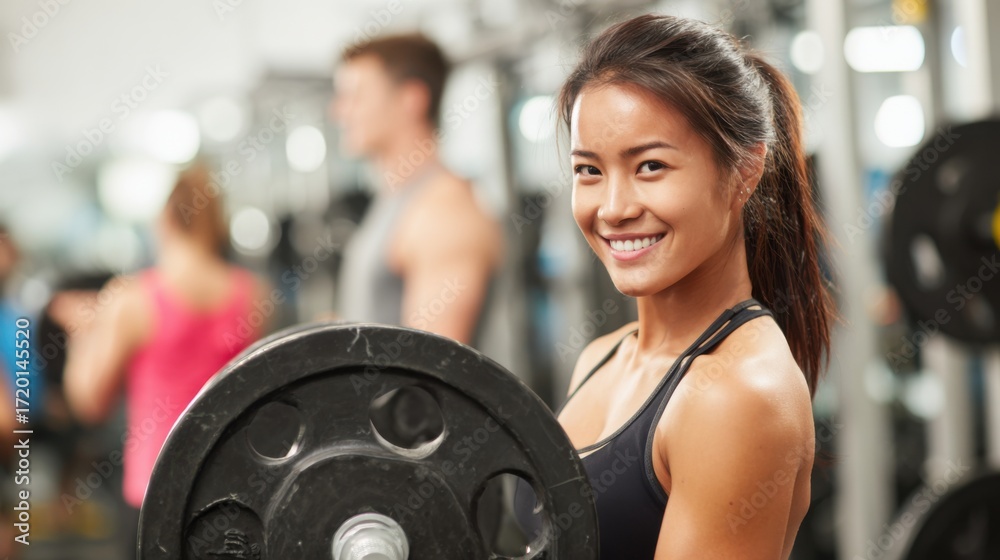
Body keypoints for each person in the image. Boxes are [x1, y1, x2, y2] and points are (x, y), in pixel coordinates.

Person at [514, 14, 835, 559]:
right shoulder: (601, 357)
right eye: (589, 171)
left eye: (650, 166)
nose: (614, 209)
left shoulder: (739, 393)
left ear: (745, 171)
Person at [57, 166, 269, 553]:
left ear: (165, 220)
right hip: (236, 490)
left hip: (157, 492)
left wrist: (82, 335)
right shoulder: (252, 294)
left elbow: (90, 404)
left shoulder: (134, 298)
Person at [331, 33, 503, 346]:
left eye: (355, 96)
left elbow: (430, 375)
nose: (340, 112)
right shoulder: (395, 198)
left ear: (412, 98)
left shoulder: (443, 209)